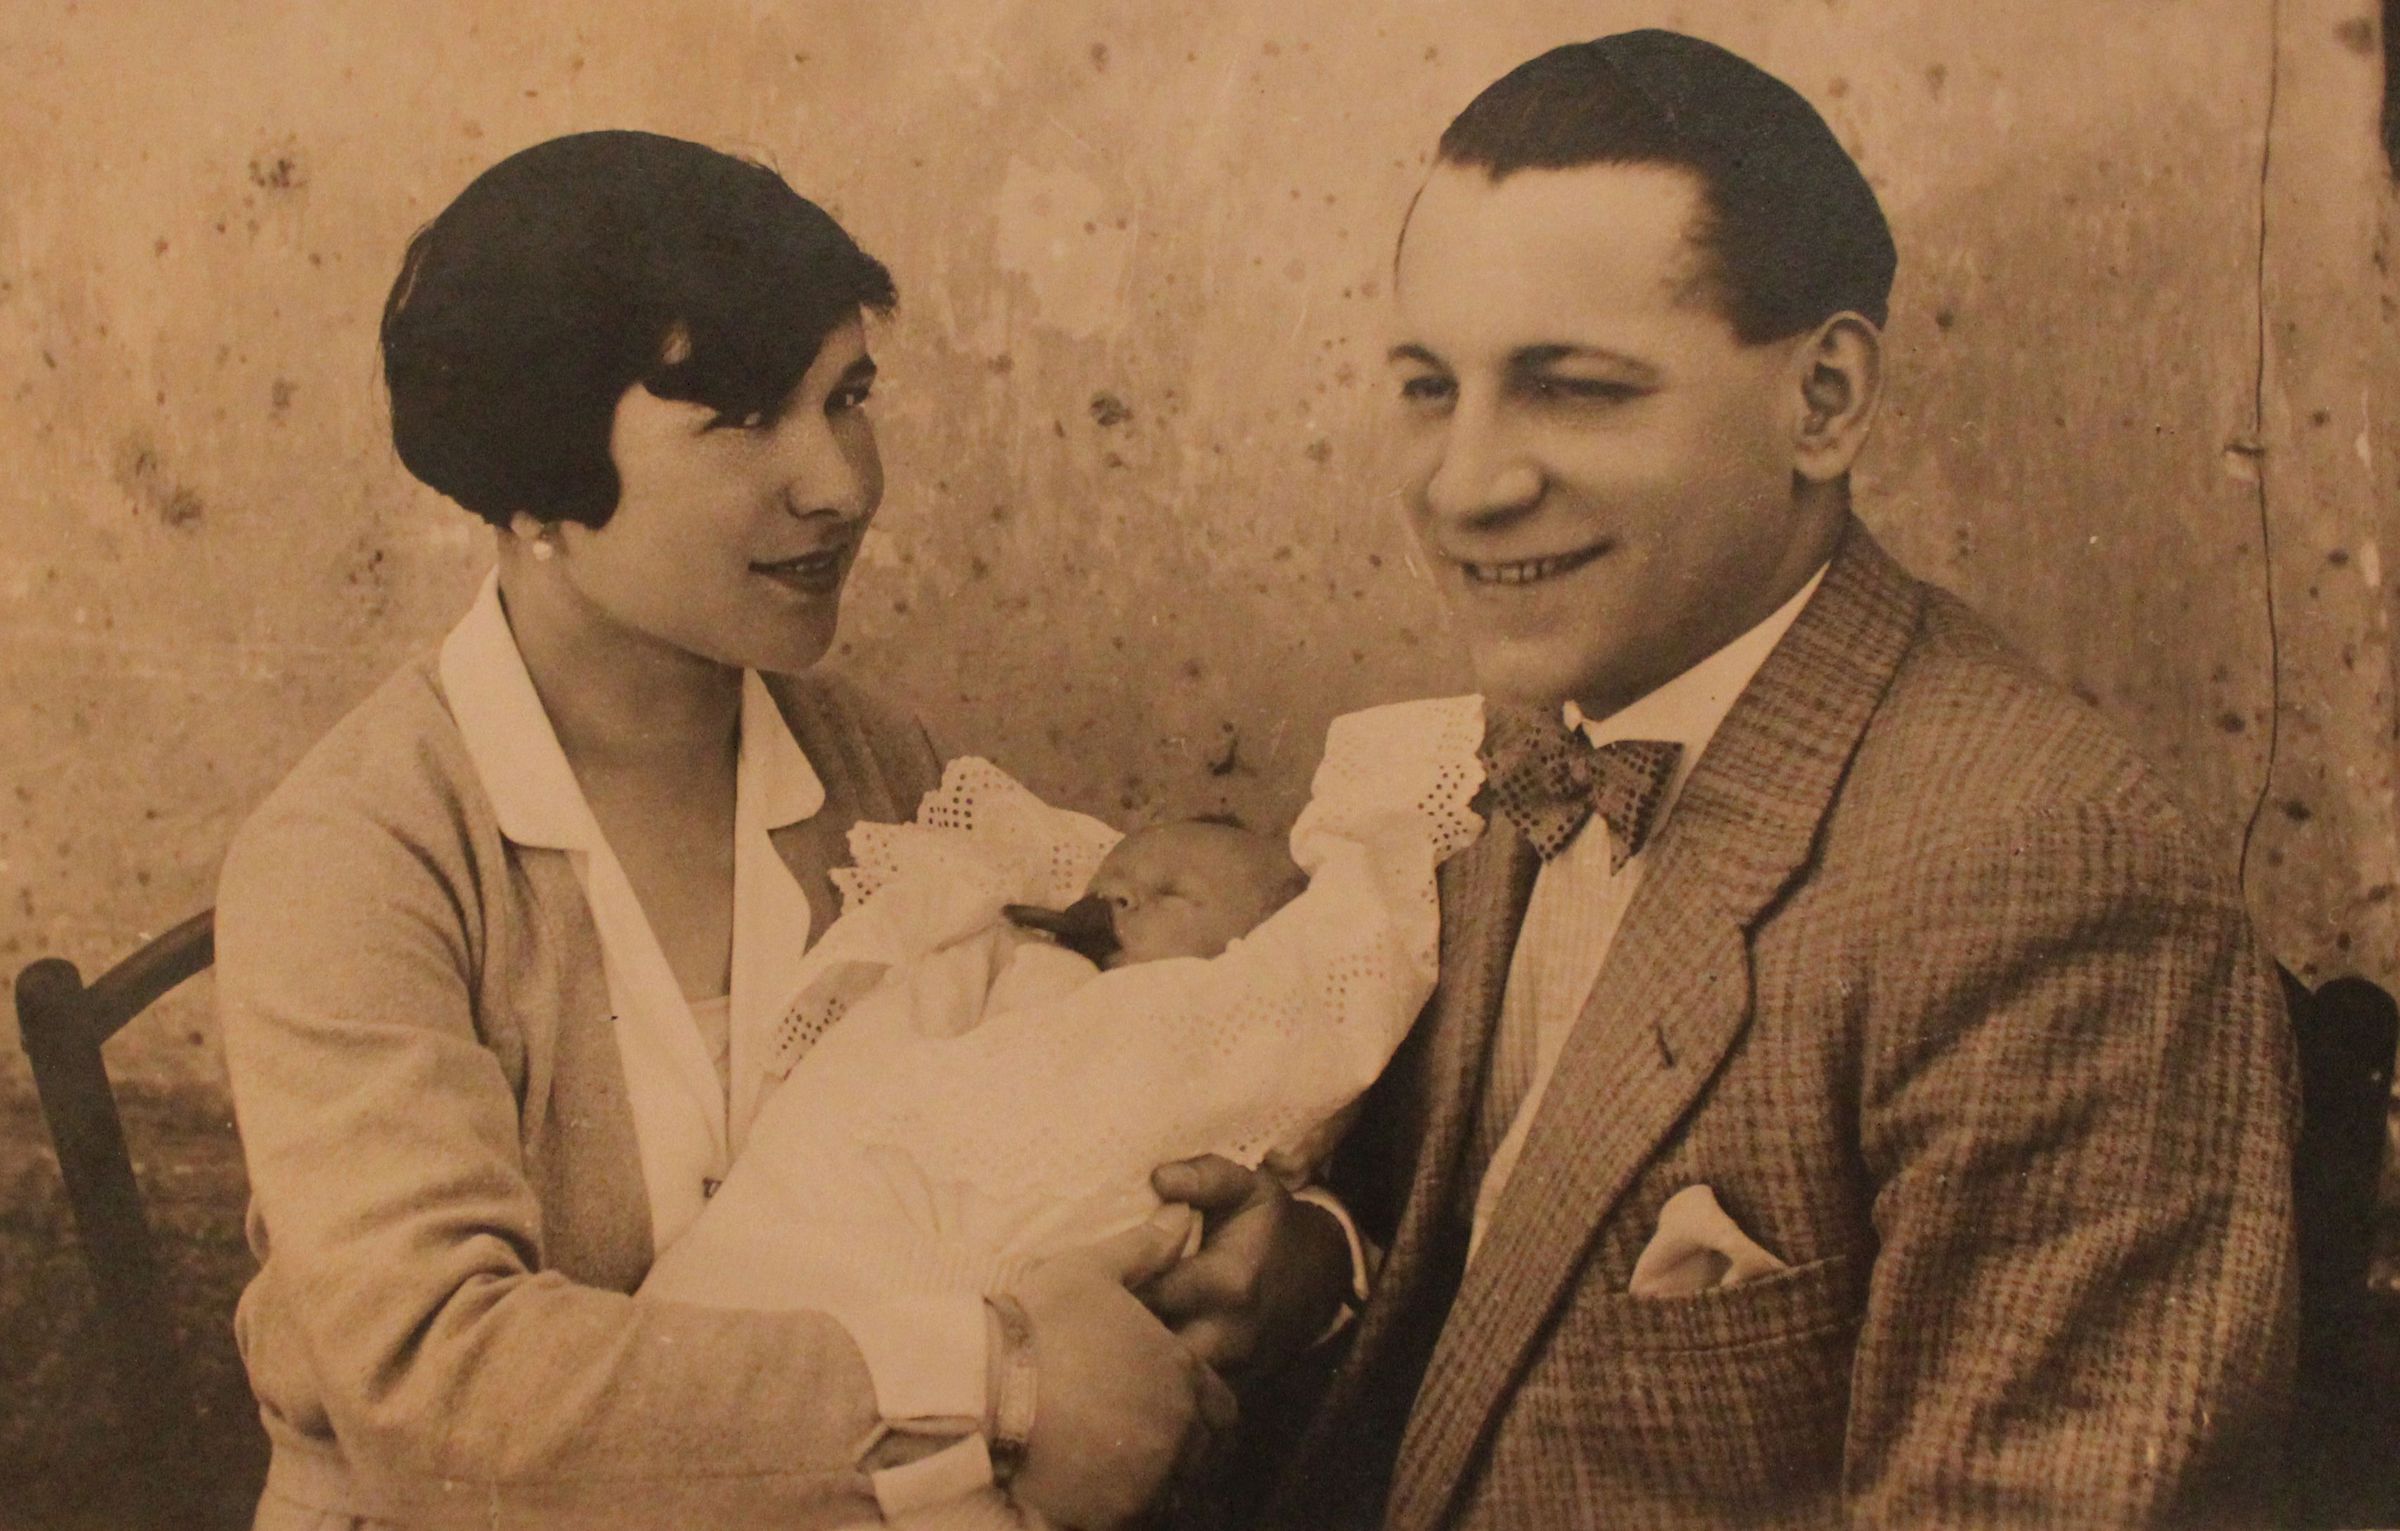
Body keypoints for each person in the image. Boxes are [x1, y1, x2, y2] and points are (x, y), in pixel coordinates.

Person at [1259, 31, 2300, 1529]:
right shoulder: (1524, 736)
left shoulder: (2049, 882)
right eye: (1431, 388)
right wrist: (1316, 1265)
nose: (1466, 484)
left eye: (1573, 389)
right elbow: (1485, 1289)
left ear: (1825, 398)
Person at [214, 130, 1296, 1531]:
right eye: (740, 419)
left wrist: (1295, 1252)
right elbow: (439, 1384)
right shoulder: (357, 861)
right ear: (537, 485)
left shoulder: (883, 770)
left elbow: (1140, 1025)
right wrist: (998, 1379)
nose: (840, 481)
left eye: (847, 397)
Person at [640, 711, 1484, 1529]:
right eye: (1110, 880)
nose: (1116, 894)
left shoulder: (890, 766)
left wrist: (1315, 1250)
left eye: (1171, 891)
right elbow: (882, 1052)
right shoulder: (1003, 951)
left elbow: (1294, 1089)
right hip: (814, 1282)